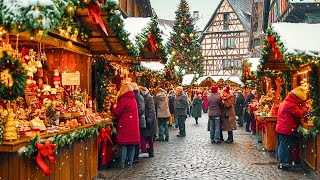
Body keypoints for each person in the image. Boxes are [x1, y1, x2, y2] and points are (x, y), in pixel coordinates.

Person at [276, 86, 307, 169]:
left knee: (282, 145)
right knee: (285, 146)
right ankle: (284, 163)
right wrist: (304, 106)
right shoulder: (290, 104)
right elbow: (300, 114)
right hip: (286, 129)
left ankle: (281, 162)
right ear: (297, 97)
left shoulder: (287, 101)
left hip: (282, 128)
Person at [111, 84, 140, 168]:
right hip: (133, 126)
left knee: (123, 144)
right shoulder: (133, 99)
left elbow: (117, 111)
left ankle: (122, 163)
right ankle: (130, 162)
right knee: (131, 144)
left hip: (125, 125)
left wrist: (113, 107)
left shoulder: (123, 100)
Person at [139, 86, 157, 158]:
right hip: (147, 120)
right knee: (148, 136)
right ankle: (148, 150)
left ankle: (149, 150)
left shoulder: (149, 98)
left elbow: (151, 110)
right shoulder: (146, 97)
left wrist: (149, 119)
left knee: (148, 136)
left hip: (148, 120)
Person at [130, 82, 146, 164]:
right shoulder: (138, 96)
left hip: (138, 120)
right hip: (137, 119)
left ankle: (135, 156)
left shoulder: (138, 96)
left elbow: (141, 109)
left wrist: (133, 114)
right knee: (136, 138)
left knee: (136, 139)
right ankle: (135, 156)